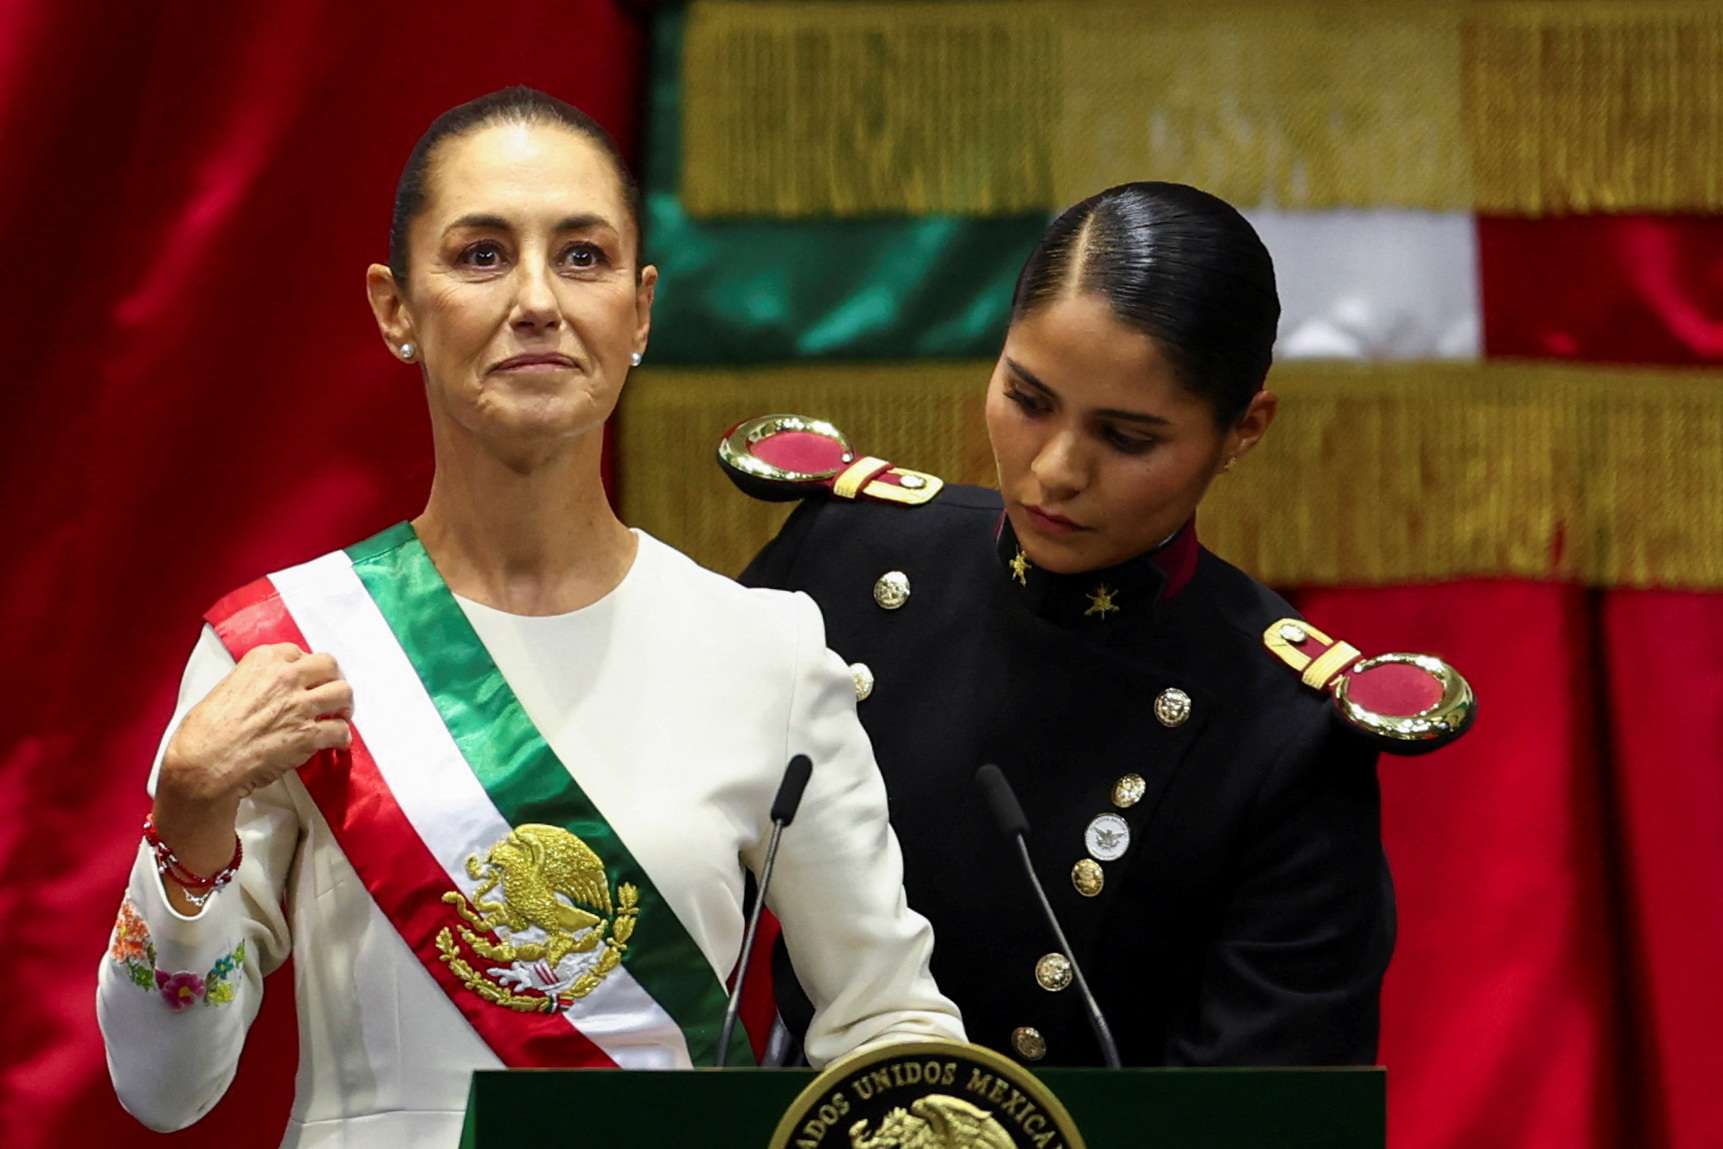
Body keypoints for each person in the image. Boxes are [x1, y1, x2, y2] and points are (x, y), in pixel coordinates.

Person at [96, 87, 963, 1147]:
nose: (539, 299)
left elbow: (890, 1028)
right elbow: (162, 1085)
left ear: (640, 309)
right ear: (394, 307)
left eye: (584, 256)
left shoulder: (766, 651)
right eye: (480, 255)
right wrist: (187, 813)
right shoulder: (284, 650)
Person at [732, 182, 1473, 1068]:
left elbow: (1265, 1107)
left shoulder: (1283, 731)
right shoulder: (844, 562)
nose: (1053, 470)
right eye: (1027, 397)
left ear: (1243, 430)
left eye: (1125, 438)